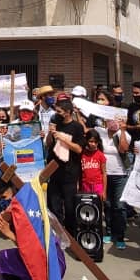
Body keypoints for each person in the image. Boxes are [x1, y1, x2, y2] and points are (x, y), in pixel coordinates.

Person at [92, 90, 129, 249]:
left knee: (119, 206)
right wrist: (79, 114)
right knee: (106, 204)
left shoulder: (123, 134)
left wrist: (122, 131)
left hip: (120, 174)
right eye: (109, 120)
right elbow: (86, 131)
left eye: (114, 120)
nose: (111, 122)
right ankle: (108, 231)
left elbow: (123, 149)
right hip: (104, 174)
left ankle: (120, 236)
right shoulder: (100, 132)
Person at [44, 97, 85, 233]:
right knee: (54, 205)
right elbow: (48, 144)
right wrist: (50, 133)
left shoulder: (77, 127)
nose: (57, 114)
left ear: (68, 112)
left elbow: (79, 149)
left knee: (69, 206)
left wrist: (63, 139)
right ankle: (57, 232)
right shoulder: (56, 123)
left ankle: (70, 234)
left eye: (59, 111)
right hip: (54, 170)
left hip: (69, 172)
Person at [79, 129, 106, 198]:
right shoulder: (82, 154)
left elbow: (104, 173)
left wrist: (104, 191)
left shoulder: (100, 155)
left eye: (95, 142)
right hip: (85, 185)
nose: (93, 144)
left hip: (98, 185)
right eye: (91, 141)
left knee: (98, 203)